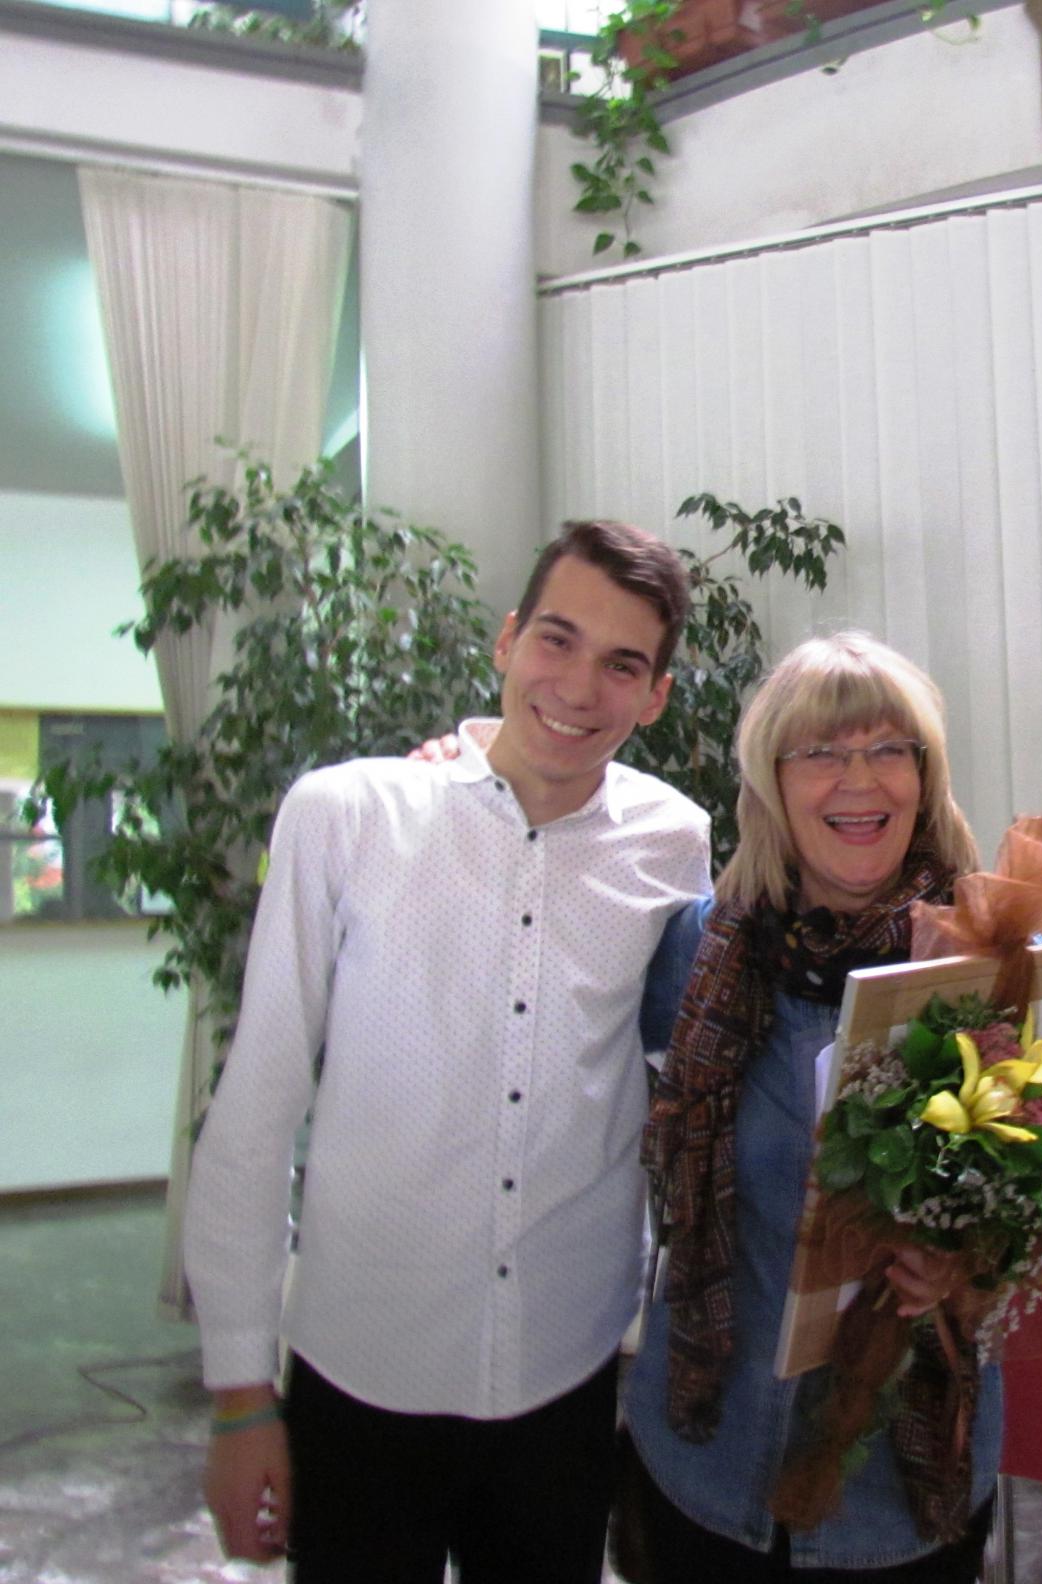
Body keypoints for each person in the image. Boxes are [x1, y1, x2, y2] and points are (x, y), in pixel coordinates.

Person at [182, 520, 713, 1583]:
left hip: (565, 1372)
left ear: (655, 695)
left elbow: (667, 1076)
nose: (578, 687)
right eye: (556, 640)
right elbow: (254, 1111)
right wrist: (240, 1396)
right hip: (361, 1368)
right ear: (508, 640)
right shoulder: (346, 816)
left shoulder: (675, 840)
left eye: (622, 664)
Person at [624, 630, 1042, 1581]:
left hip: (900, 1501)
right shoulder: (696, 955)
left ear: (925, 775)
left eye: (887, 749)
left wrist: (987, 1253)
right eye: (821, 752)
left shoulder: (1003, 959)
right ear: (771, 782)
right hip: (704, 1460)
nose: (859, 779)